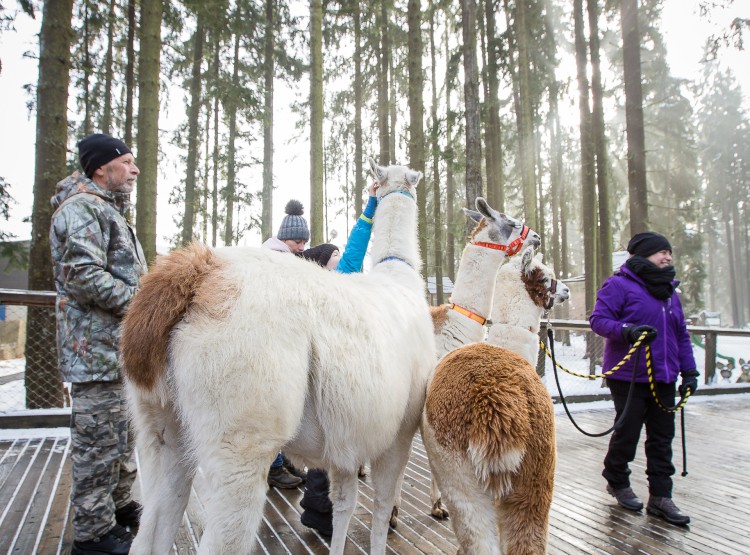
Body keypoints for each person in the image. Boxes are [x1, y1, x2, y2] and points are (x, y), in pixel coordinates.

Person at [50, 134, 147, 555]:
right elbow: (83, 275)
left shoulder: (106, 210)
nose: (134, 169)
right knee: (97, 447)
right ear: (99, 168)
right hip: (95, 355)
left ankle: (117, 507)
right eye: (126, 162)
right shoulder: (82, 209)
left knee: (121, 442)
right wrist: (145, 304)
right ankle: (92, 534)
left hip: (116, 353)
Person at [590, 232, 699, 527]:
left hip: (664, 376)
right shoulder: (619, 285)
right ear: (643, 255)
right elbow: (598, 320)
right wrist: (628, 331)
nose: (668, 257)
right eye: (661, 252)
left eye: (669, 253)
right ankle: (616, 477)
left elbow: (681, 335)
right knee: (628, 432)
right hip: (629, 375)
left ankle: (661, 497)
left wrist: (688, 372)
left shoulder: (669, 293)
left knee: (662, 438)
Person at [296, 183, 379, 537]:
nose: (343, 260)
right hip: (329, 380)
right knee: (328, 448)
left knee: (322, 447)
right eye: (336, 258)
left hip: (319, 379)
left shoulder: (314, 292)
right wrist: (371, 205)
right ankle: (319, 510)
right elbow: (356, 247)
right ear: (325, 266)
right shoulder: (333, 284)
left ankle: (315, 510)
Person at [261, 199, 311, 488]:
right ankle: (274, 466)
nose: (301, 246)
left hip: (281, 344)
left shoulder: (287, 258)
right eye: (296, 241)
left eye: (304, 241)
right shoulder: (273, 260)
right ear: (283, 238)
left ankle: (284, 462)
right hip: (270, 347)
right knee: (273, 411)